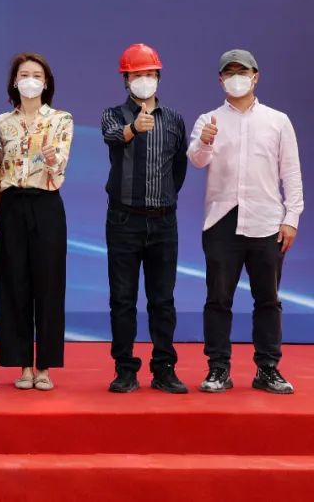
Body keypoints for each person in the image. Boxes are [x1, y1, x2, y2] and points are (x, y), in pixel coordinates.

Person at [188, 49, 303, 395]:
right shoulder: (208, 120)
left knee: (268, 299)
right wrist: (205, 141)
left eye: (243, 72)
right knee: (218, 299)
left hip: (267, 220)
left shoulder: (277, 121)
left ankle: (267, 368)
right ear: (220, 79)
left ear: (256, 77)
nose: (236, 78)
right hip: (221, 221)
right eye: (230, 73)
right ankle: (218, 368)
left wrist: (291, 218)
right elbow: (196, 159)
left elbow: (291, 173)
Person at [101, 44, 189, 394]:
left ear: (158, 77)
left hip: (164, 222)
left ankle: (164, 368)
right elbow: (112, 137)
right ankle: (125, 369)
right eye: (137, 75)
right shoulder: (113, 114)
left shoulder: (174, 119)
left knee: (162, 300)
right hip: (124, 221)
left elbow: (178, 168)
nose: (144, 80)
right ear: (126, 79)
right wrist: (135, 128)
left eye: (150, 74)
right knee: (122, 299)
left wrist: (164, 200)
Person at [0, 52, 73, 391]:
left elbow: (61, 166)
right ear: (15, 82)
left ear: (46, 82)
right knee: (15, 283)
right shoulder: (1, 122)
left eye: (36, 75)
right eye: (24, 74)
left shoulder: (61, 119)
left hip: (46, 204)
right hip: (12, 204)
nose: (30, 80)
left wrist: (52, 160)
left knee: (49, 284)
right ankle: (23, 364)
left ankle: (45, 366)